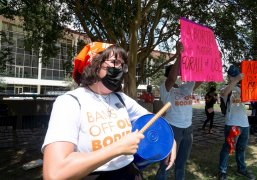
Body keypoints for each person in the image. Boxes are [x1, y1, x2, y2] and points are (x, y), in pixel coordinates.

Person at [42, 42, 176, 180]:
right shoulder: (70, 102)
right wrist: (117, 148)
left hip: (131, 172)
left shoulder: (121, 98)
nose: (121, 69)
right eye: (114, 62)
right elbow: (55, 173)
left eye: (122, 64)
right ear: (94, 63)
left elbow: (152, 120)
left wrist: (169, 139)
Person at [155, 42, 201, 180]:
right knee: (167, 164)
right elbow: (171, 78)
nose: (180, 73)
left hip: (188, 130)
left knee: (181, 164)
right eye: (177, 70)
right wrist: (179, 56)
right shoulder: (165, 88)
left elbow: (201, 78)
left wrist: (211, 61)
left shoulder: (186, 87)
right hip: (173, 129)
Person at [218, 65, 255, 180]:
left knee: (241, 149)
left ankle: (241, 169)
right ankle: (222, 171)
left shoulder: (242, 88)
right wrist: (236, 80)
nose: (235, 78)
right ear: (229, 77)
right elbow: (224, 94)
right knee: (228, 148)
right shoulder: (225, 89)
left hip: (244, 124)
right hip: (233, 124)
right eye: (232, 76)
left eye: (236, 76)